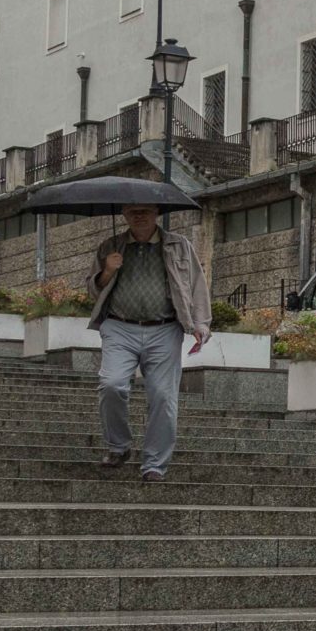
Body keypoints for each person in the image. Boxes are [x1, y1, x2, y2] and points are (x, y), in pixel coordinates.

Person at [90, 204, 210, 481]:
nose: (139, 216)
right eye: (133, 211)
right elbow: (91, 290)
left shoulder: (179, 246)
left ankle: (155, 464)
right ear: (124, 215)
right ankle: (118, 446)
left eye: (145, 210)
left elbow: (197, 284)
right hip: (119, 326)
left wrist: (201, 322)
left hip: (165, 328)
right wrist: (107, 270)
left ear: (157, 213)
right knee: (112, 384)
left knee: (163, 396)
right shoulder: (110, 245)